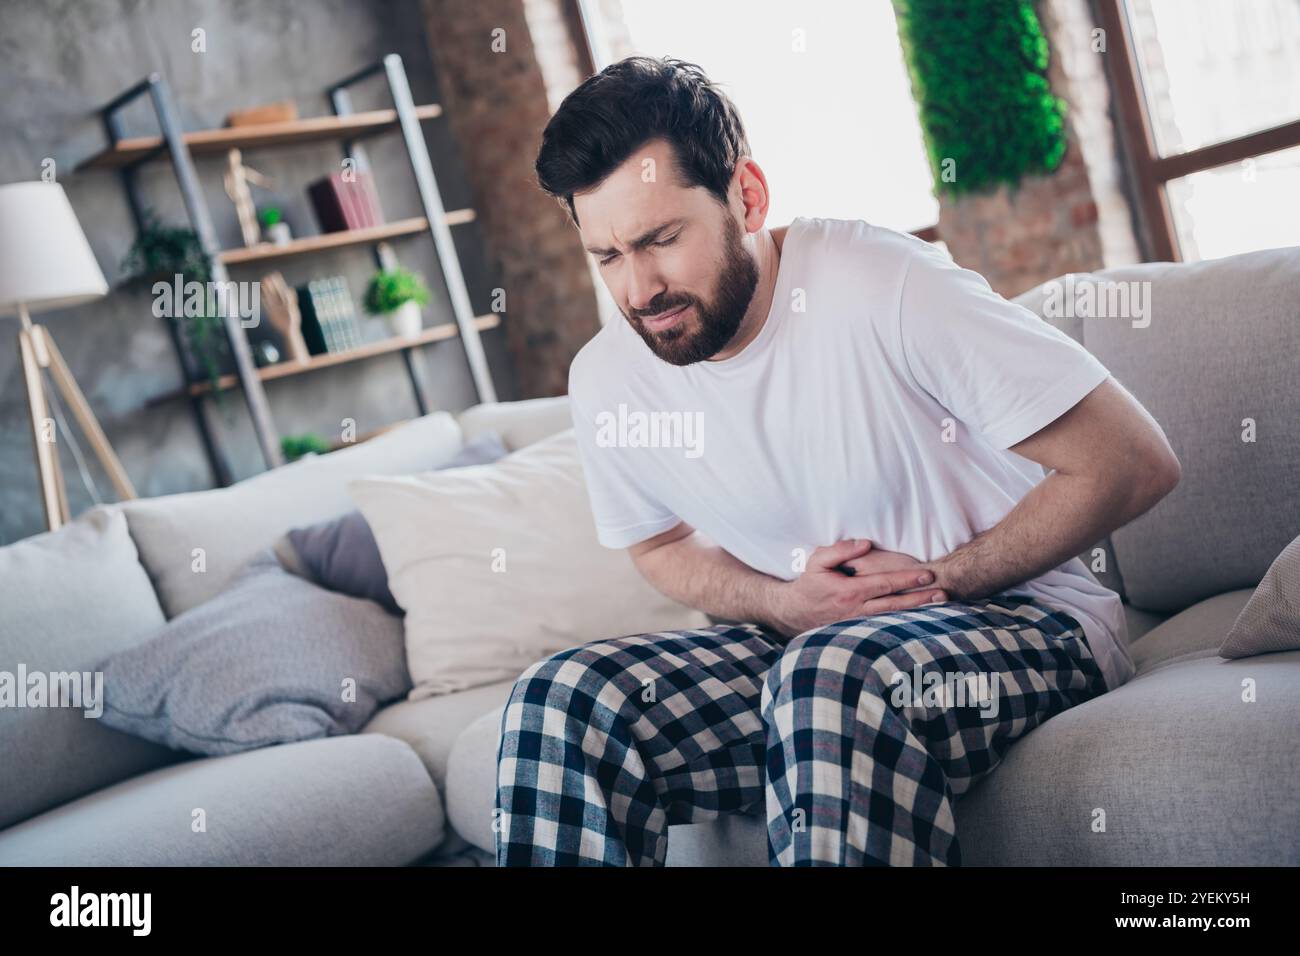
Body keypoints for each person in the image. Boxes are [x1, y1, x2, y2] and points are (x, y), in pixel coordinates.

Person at [495, 56, 1180, 866]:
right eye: (606, 256)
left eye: (660, 239)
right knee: (562, 699)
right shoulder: (608, 378)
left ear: (746, 195)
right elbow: (658, 544)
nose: (640, 288)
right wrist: (783, 603)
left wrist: (940, 580)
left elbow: (1132, 460)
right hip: (806, 654)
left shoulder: (882, 283)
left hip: (1028, 626)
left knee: (830, 674)